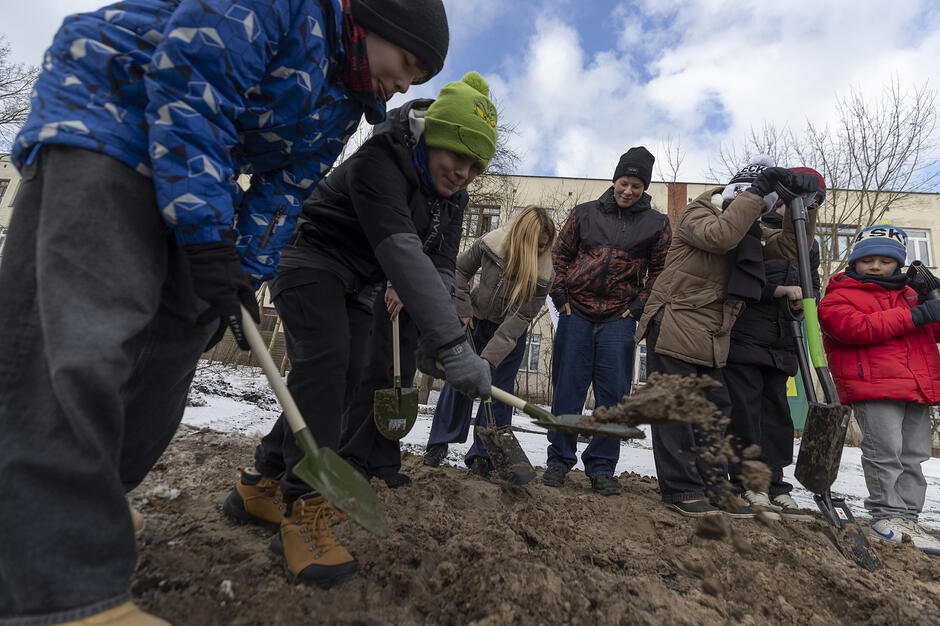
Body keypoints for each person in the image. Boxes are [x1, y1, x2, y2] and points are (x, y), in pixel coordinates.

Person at [0, 0, 450, 622]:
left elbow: (285, 189)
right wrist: (209, 236)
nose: (404, 86)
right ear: (371, 21)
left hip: (197, 180)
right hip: (107, 122)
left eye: (416, 81)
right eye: (405, 64)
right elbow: (192, 84)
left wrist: (241, 272)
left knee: (169, 360)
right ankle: (56, 590)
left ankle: (77, 508)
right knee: (84, 341)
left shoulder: (345, 106)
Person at [222, 72, 498, 587]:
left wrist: (443, 333)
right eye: (456, 155)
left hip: (358, 283)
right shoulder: (381, 159)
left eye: (475, 163)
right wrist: (453, 343)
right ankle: (305, 507)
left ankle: (258, 482)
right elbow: (400, 251)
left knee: (346, 379)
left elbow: (438, 266)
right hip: (310, 259)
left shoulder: (450, 197)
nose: (463, 172)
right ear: (431, 133)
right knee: (325, 364)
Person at [635, 156, 820, 517]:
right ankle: (681, 488)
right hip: (677, 321)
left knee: (716, 414)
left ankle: (715, 486)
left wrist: (806, 207)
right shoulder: (700, 211)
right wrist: (760, 191)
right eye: (753, 198)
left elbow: (791, 247)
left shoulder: (748, 228)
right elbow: (720, 238)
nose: (753, 208)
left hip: (714, 332)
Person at [543, 147, 671, 496]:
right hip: (576, 312)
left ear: (645, 188)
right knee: (567, 389)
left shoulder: (657, 224)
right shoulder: (583, 214)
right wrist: (561, 297)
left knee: (612, 397)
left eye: (636, 186)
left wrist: (637, 307)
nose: (628, 191)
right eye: (624, 183)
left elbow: (661, 272)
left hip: (619, 317)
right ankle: (558, 461)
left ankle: (601, 468)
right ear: (614, 180)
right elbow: (559, 255)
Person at [817, 223, 940, 553]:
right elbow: (854, 328)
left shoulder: (912, 296)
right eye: (867, 260)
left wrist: (932, 297)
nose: (875, 266)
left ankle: (908, 518)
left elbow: (934, 327)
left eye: (885, 261)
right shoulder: (839, 295)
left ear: (897, 264)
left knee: (914, 456)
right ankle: (886, 516)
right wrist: (916, 314)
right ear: (853, 262)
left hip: (916, 386)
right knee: (885, 454)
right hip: (874, 387)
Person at [423, 205, 557, 482]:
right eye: (533, 245)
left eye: (542, 247)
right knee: (457, 382)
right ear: (519, 236)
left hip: (508, 337)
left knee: (496, 393)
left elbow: (516, 323)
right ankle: (438, 445)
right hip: (473, 322)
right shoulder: (491, 245)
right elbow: (458, 271)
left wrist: (487, 361)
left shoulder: (544, 275)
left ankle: (483, 456)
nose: (537, 252)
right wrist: (463, 309)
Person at [725, 169, 825, 522]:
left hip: (783, 341)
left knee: (778, 418)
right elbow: (741, 282)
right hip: (746, 338)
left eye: (812, 204)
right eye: (794, 203)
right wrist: (776, 292)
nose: (799, 210)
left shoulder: (807, 246)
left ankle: (776, 484)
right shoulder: (756, 231)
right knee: (746, 416)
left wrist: (801, 305)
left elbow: (811, 285)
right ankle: (747, 482)